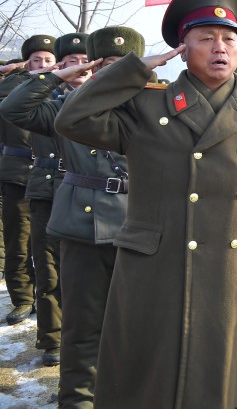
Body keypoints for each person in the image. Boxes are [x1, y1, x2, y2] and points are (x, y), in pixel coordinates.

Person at [53, 0, 237, 409]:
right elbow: (71, 119)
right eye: (206, 39)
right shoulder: (147, 105)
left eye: (229, 39)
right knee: (161, 383)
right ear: (183, 49)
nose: (220, 47)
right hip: (160, 271)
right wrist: (134, 69)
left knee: (231, 385)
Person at [2, 27, 137, 408]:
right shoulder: (65, 105)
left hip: (139, 226)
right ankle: (77, 400)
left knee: (135, 323)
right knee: (82, 327)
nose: (108, 72)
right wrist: (56, 75)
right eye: (102, 65)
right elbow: (14, 109)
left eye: (118, 66)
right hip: (83, 224)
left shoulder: (149, 107)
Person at [5, 32, 89, 368]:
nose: (78, 69)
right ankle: (53, 340)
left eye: (85, 62)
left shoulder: (112, 99)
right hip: (47, 188)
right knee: (49, 269)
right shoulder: (43, 99)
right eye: (69, 63)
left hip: (90, 194)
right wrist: (43, 77)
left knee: (87, 276)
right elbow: (12, 107)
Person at [0, 34, 57, 324]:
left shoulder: (61, 89)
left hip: (51, 176)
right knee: (17, 241)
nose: (43, 64)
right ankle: (22, 298)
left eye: (49, 60)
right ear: (26, 62)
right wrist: (18, 75)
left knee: (46, 243)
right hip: (17, 173)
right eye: (37, 60)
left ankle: (49, 300)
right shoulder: (11, 87)